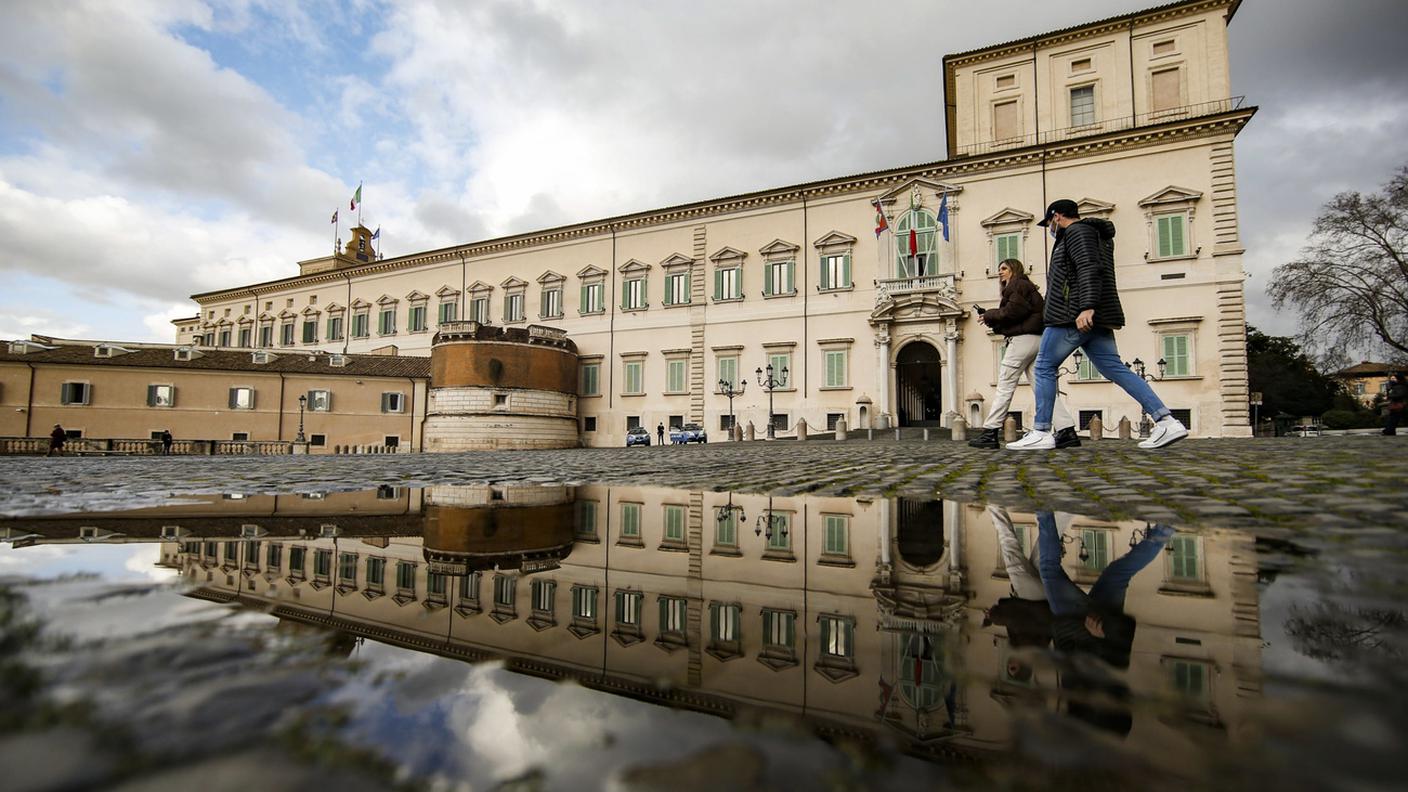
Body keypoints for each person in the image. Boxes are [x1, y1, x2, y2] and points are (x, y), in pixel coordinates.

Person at [1009, 199, 1188, 450]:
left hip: (1071, 315)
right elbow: (1090, 270)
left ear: (1057, 216)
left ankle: (1041, 431)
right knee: (1115, 368)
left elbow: (1088, 269)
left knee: (1044, 367)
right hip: (1092, 314)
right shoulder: (1092, 235)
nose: (1050, 228)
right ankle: (1167, 422)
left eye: (1049, 222)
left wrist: (1086, 307)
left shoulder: (1076, 233)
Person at [970, 259, 1079, 449]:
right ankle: (1066, 429)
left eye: (1004, 268)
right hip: (1037, 339)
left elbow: (1013, 311)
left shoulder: (1018, 284)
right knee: (1041, 387)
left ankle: (990, 431)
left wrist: (990, 315)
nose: (1000, 273)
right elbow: (1017, 315)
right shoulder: (1025, 287)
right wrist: (992, 319)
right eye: (999, 269)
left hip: (1023, 341)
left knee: (1005, 383)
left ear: (1014, 269)